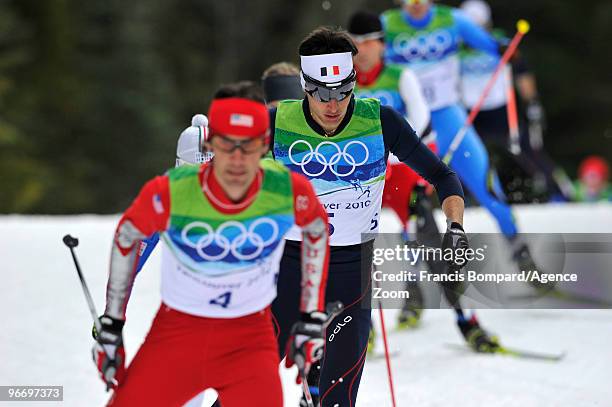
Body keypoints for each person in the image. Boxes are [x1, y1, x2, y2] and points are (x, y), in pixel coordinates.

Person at [91, 91, 331, 406]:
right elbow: (128, 236)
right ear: (210, 145)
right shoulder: (171, 190)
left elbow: (317, 228)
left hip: (249, 340)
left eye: (248, 146)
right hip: (177, 336)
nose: (236, 159)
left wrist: (311, 317)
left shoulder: (286, 189)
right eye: (226, 145)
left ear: (264, 145)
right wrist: (112, 323)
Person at [269, 26, 468, 406]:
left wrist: (455, 227)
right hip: (289, 270)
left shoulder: (380, 121)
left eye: (343, 90)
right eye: (322, 93)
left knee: (337, 398)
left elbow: (443, 176)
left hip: (350, 274)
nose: (334, 103)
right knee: (243, 388)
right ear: (304, 85)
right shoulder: (276, 122)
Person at [348, 10, 500, 351]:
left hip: (400, 174)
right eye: (358, 45)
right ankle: (360, 328)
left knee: (430, 243)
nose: (365, 52)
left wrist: (405, 166)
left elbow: (421, 123)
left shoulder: (401, 76)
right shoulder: (344, 82)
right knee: (350, 250)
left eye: (371, 43)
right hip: (360, 179)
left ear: (382, 45)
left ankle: (467, 321)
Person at [381, 0, 543, 276]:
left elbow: (492, 46)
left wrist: (506, 51)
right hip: (408, 122)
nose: (416, 4)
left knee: (487, 187)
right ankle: (414, 284)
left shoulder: (452, 19)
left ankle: (522, 255)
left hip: (448, 119)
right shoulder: (387, 24)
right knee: (409, 204)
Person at [459, 0, 575, 203]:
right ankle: (466, 199)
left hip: (500, 109)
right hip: (471, 111)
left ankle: (558, 192)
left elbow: (522, 72)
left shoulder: (500, 43)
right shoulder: (455, 47)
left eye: (479, 26)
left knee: (525, 149)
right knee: (466, 154)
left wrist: (532, 103)